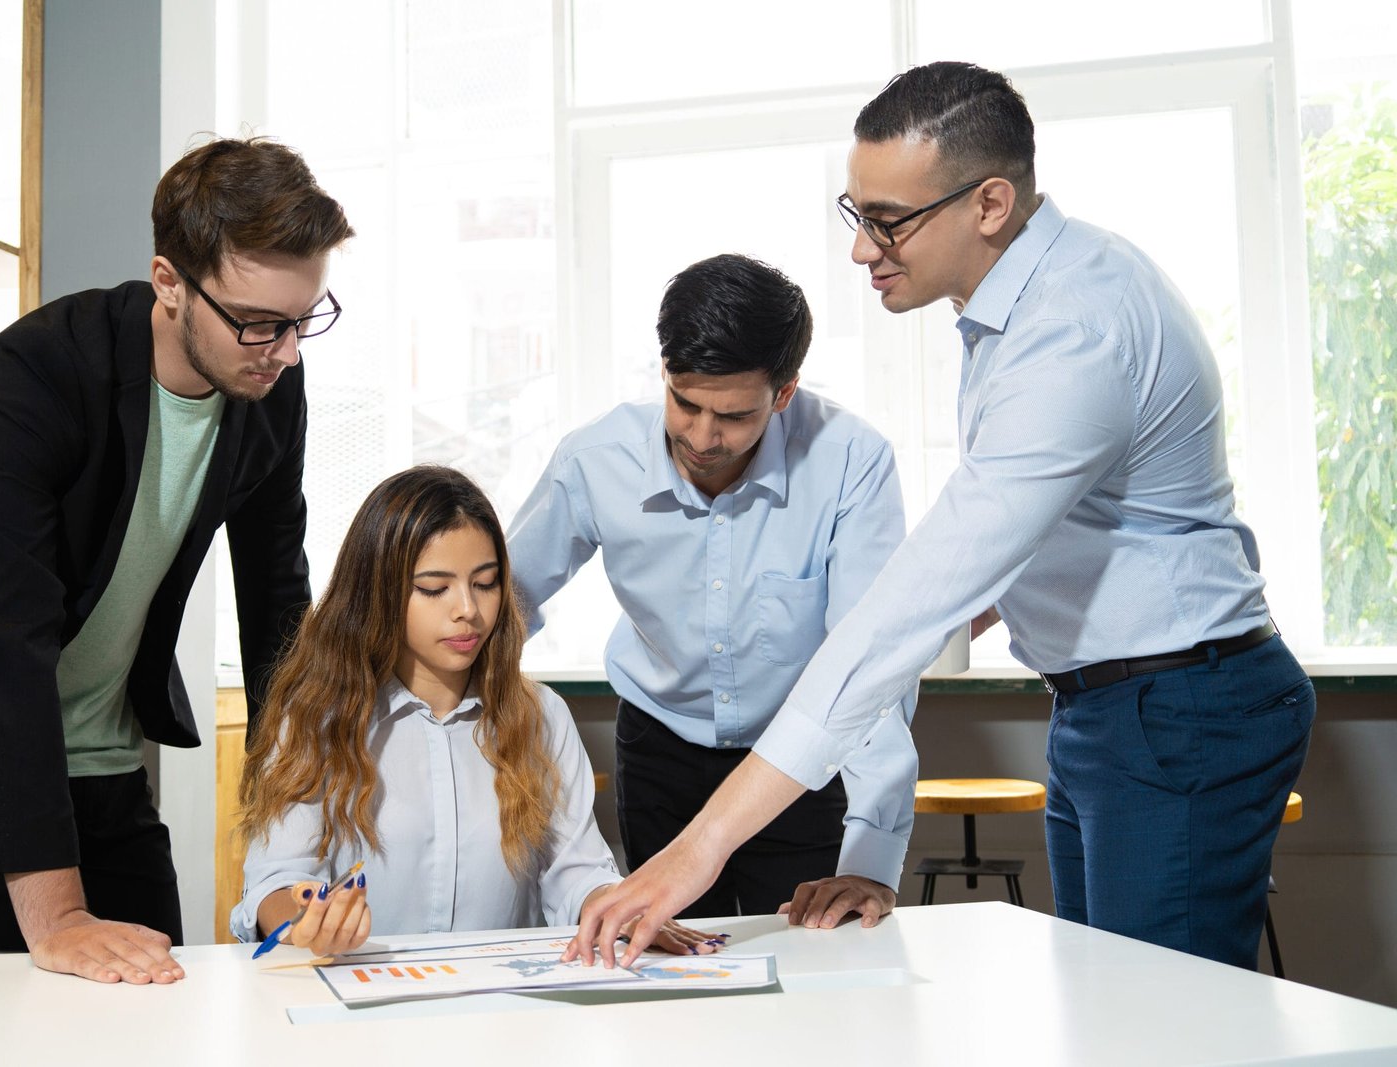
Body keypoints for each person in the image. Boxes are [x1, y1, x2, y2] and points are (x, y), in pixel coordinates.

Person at [571, 61, 1314, 972]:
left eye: (887, 221)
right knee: (1114, 1006)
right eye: (856, 215)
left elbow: (910, 609)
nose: (861, 249)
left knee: (1162, 1028)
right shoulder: (1028, 305)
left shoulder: (1073, 333)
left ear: (990, 204)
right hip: (1113, 704)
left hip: (1179, 707)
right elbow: (1052, 538)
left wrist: (696, 851)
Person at [0, 136, 350, 1061]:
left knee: (166, 1035)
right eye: (260, 322)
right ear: (169, 280)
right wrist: (54, 915)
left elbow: (278, 606)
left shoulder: (269, 388)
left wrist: (301, 818)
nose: (287, 352)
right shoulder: (32, 377)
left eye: (306, 318)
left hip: (94, 764)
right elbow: (4, 645)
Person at [508, 253, 916, 925]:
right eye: (684, 402)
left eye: (732, 415)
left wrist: (869, 862)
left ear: (783, 395)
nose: (701, 437)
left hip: (801, 762)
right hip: (659, 755)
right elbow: (504, 600)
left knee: (808, 973)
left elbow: (868, 663)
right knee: (667, 974)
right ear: (663, 372)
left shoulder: (851, 461)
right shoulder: (596, 458)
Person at [230, 465, 718, 956]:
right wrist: (305, 919)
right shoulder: (318, 718)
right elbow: (276, 882)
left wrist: (623, 906)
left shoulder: (542, 717)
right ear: (376, 591)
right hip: (365, 998)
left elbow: (578, 871)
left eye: (485, 583)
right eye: (434, 588)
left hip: (502, 1007)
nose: (468, 609)